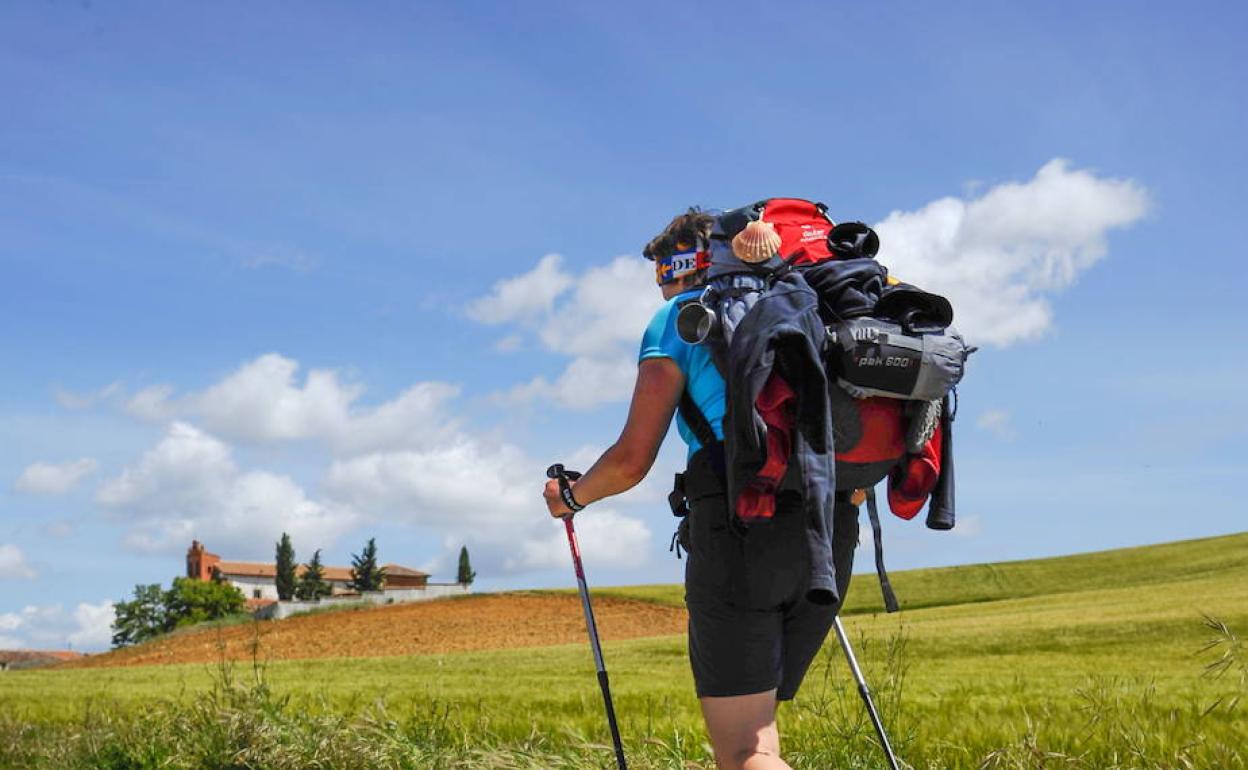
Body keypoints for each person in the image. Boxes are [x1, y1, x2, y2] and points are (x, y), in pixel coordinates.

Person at [542, 208, 860, 770]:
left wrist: (571, 497)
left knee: (744, 752)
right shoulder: (807, 306)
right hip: (829, 534)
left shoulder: (680, 317)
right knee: (760, 734)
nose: (661, 288)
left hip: (739, 526)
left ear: (686, 263)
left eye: (663, 274)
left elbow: (631, 460)